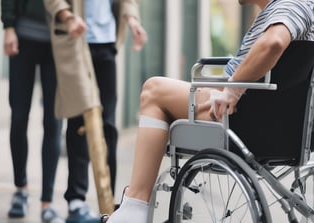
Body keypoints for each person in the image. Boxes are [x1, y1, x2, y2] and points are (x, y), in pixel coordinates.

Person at [106, 0, 314, 222]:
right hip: (275, 126)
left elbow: (273, 42)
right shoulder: (285, 10)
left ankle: (134, 206)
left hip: (239, 122)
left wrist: (232, 91)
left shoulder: (291, 5)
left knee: (153, 90)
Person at [43, 0, 147, 222]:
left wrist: (132, 20)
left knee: (108, 124)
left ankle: (108, 204)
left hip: (107, 41)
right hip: (76, 41)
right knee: (79, 120)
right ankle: (76, 200)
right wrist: (67, 17)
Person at [0, 0, 63, 223]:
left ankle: (47, 202)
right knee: (18, 117)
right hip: (23, 38)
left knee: (53, 121)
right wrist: (8, 27)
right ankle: (21, 189)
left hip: (58, 43)